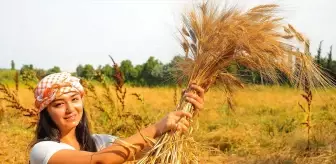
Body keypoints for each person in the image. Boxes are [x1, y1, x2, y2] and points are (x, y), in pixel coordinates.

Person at [29, 72, 205, 164]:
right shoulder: (43, 151)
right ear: (46, 111)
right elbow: (99, 161)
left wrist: (185, 111)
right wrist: (157, 127)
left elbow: (154, 151)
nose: (70, 109)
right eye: (59, 104)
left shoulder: (100, 143)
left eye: (75, 99)